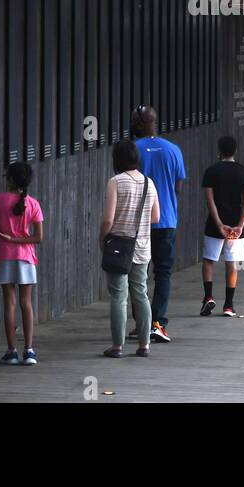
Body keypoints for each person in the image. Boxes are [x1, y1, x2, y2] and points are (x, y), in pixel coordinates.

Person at [0, 162, 45, 366]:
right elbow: (38, 237)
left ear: (12, 180)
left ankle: (12, 351)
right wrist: (18, 240)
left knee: (10, 303)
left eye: (7, 177)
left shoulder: (0, 200)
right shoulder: (33, 203)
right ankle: (30, 351)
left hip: (6, 256)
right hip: (26, 258)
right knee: (27, 303)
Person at [99, 139, 159, 358]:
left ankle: (117, 346)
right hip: (142, 247)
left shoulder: (115, 182)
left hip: (118, 247)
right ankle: (144, 345)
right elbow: (156, 216)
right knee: (141, 294)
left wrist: (101, 238)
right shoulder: (148, 183)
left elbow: (108, 219)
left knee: (118, 296)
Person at [132, 105, 186, 342]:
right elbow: (178, 187)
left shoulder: (132, 150)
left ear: (143, 122)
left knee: (137, 274)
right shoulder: (174, 150)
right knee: (163, 273)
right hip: (166, 221)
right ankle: (157, 323)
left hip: (138, 223)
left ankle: (141, 323)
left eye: (134, 119)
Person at [200, 135, 244, 318]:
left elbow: (210, 201)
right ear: (235, 151)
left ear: (219, 150)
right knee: (232, 263)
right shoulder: (243, 172)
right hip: (235, 226)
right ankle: (229, 305)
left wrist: (219, 224)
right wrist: (240, 226)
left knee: (209, 261)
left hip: (216, 225)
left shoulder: (211, 171)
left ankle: (208, 297)